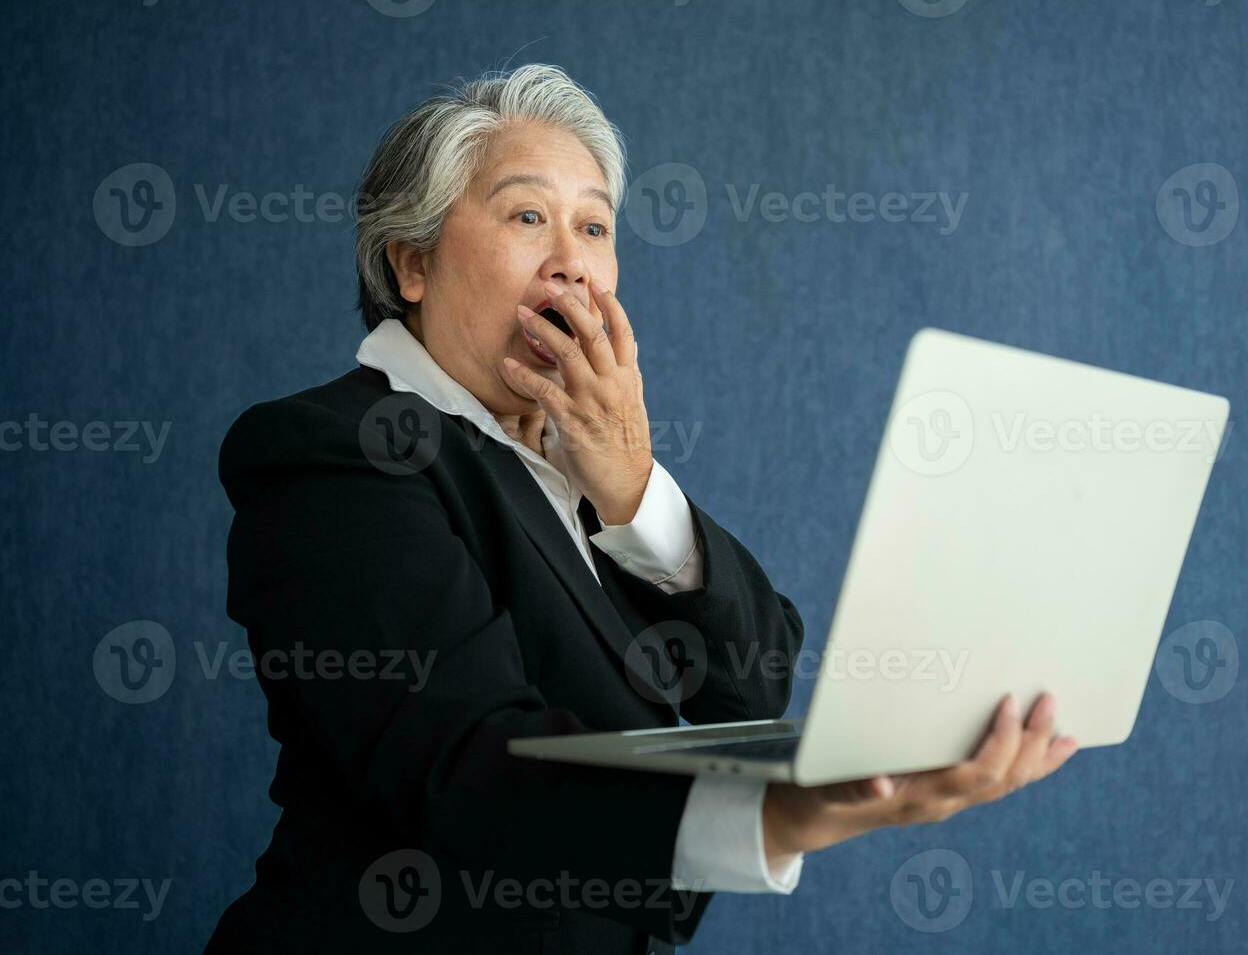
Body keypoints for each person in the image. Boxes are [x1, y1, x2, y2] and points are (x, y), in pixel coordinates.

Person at [205, 63, 1077, 955]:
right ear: (413, 261)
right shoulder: (334, 451)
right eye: (527, 217)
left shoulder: (579, 463)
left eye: (594, 226)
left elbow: (755, 678)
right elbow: (469, 770)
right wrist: (780, 814)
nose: (572, 262)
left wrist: (634, 488)